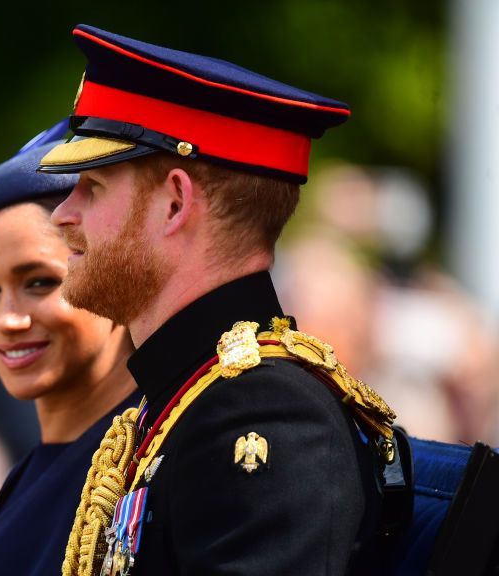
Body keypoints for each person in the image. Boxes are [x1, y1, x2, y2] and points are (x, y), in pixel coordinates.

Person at [36, 25, 401, 575]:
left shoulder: (266, 413)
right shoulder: (187, 395)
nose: (63, 214)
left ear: (176, 203)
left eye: (93, 187)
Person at [0, 119, 140, 575]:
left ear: (114, 278)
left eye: (40, 283)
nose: (8, 319)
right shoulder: (30, 477)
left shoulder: (161, 467)